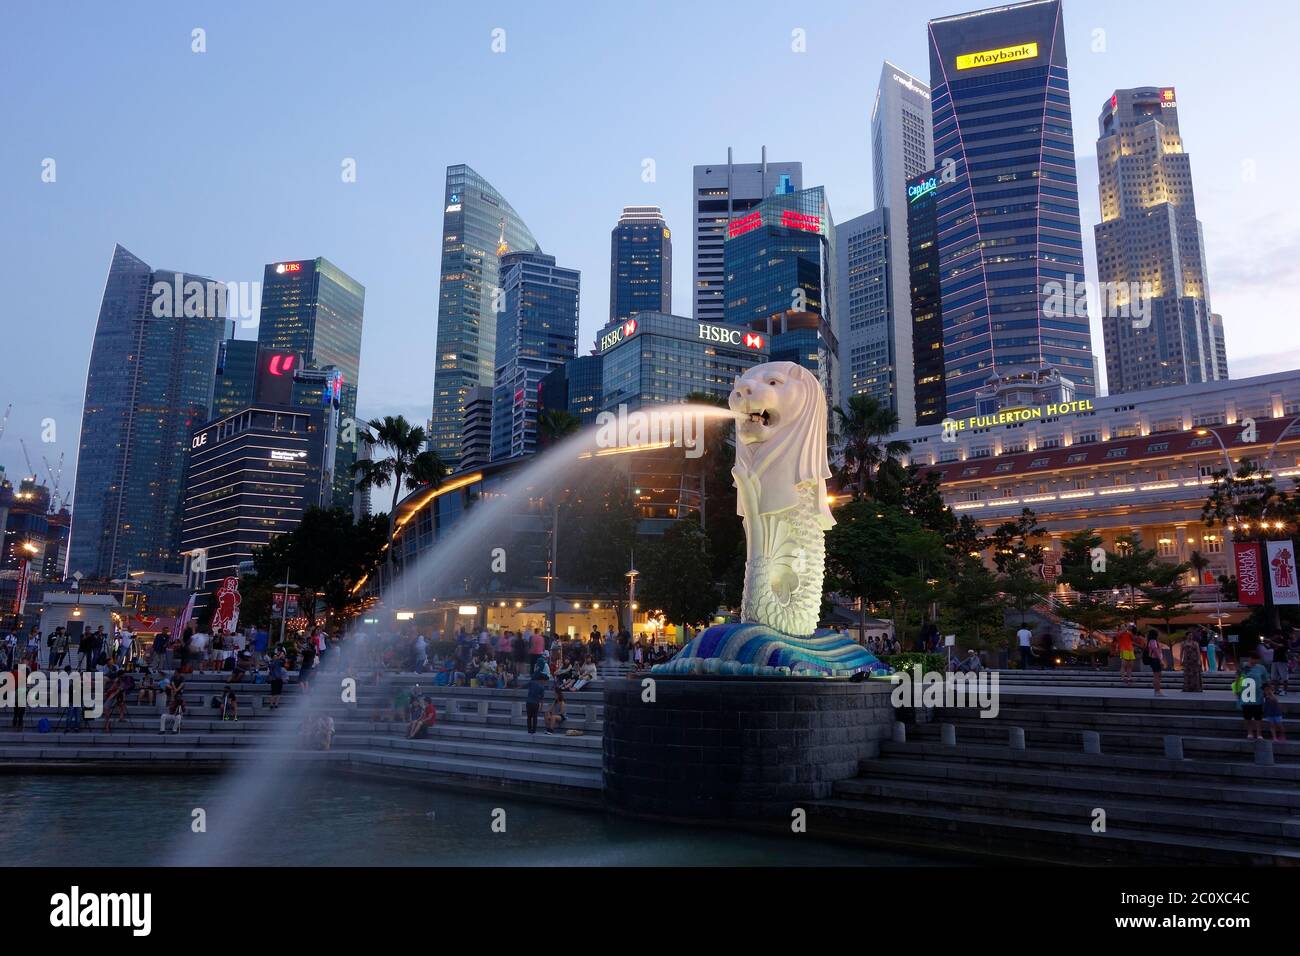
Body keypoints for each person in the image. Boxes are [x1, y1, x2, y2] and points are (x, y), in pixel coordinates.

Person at [1236, 652, 1270, 740]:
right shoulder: (1243, 666)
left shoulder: (1261, 668)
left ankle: (1259, 733)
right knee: (1247, 716)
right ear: (1250, 658)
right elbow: (1237, 678)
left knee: (1258, 716)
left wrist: (1267, 693)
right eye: (1253, 659)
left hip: (1258, 695)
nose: (1255, 662)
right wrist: (1237, 690)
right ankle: (1250, 732)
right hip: (1245, 695)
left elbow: (1266, 681)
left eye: (1257, 660)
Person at [1269, 631, 1291, 695]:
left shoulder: (1284, 641)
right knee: (1274, 677)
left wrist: (1271, 641)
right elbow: (1268, 647)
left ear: (1279, 635)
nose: (1274, 636)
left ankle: (1285, 690)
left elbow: (1280, 645)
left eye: (1275, 635)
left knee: (1284, 677)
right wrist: (1264, 642)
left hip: (1282, 660)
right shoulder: (1273, 641)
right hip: (1275, 660)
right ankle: (1276, 690)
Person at [1145, 629, 1165, 696]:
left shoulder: (1150, 641)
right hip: (1156, 660)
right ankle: (1157, 691)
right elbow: (1155, 650)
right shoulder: (1153, 641)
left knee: (1157, 676)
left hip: (1154, 660)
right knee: (1157, 676)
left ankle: (1157, 691)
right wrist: (1161, 660)